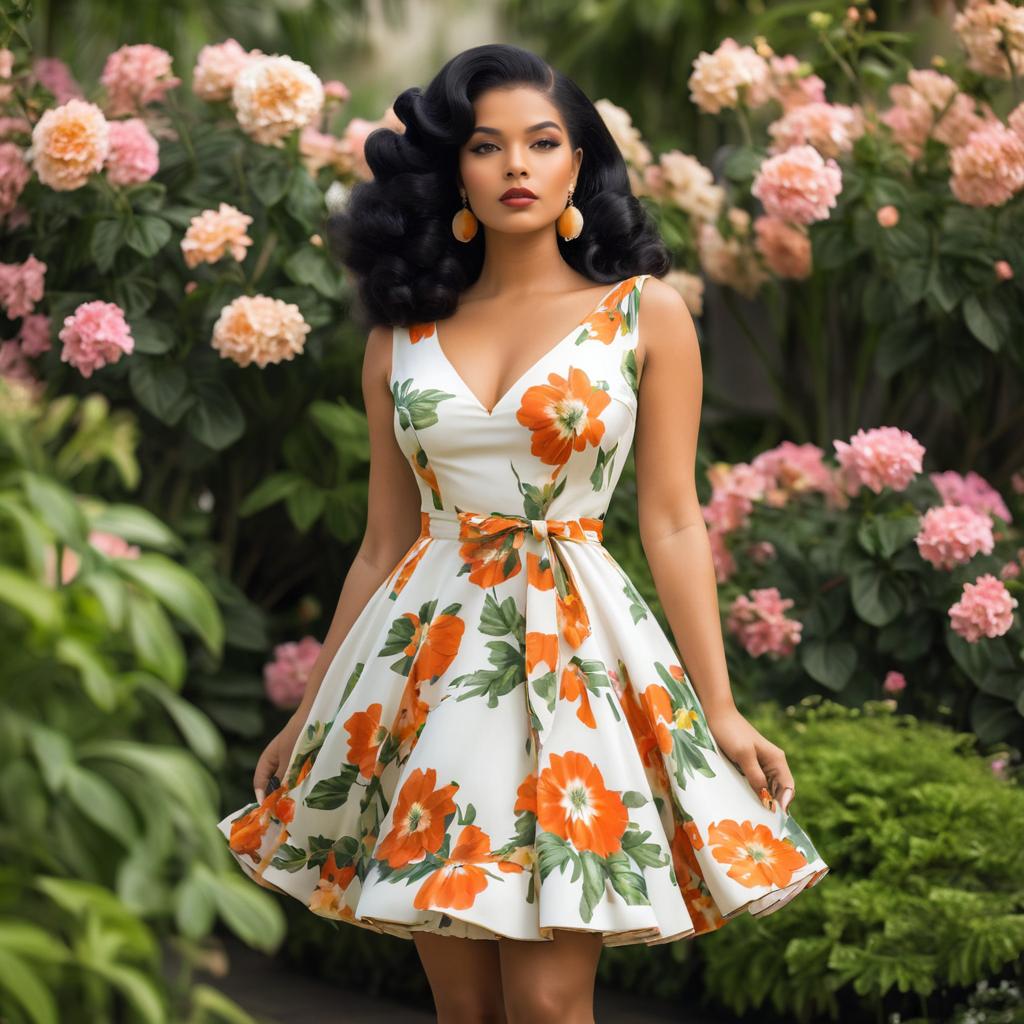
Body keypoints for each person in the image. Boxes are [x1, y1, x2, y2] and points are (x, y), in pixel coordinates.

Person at [217, 42, 829, 1024]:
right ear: (453, 170)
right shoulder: (399, 334)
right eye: (486, 145)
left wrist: (719, 707)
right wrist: (312, 712)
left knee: (548, 1002)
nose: (514, 165)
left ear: (577, 165)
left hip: (577, 667)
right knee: (465, 1008)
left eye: (541, 143)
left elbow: (672, 520)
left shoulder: (645, 314)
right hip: (423, 669)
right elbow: (382, 542)